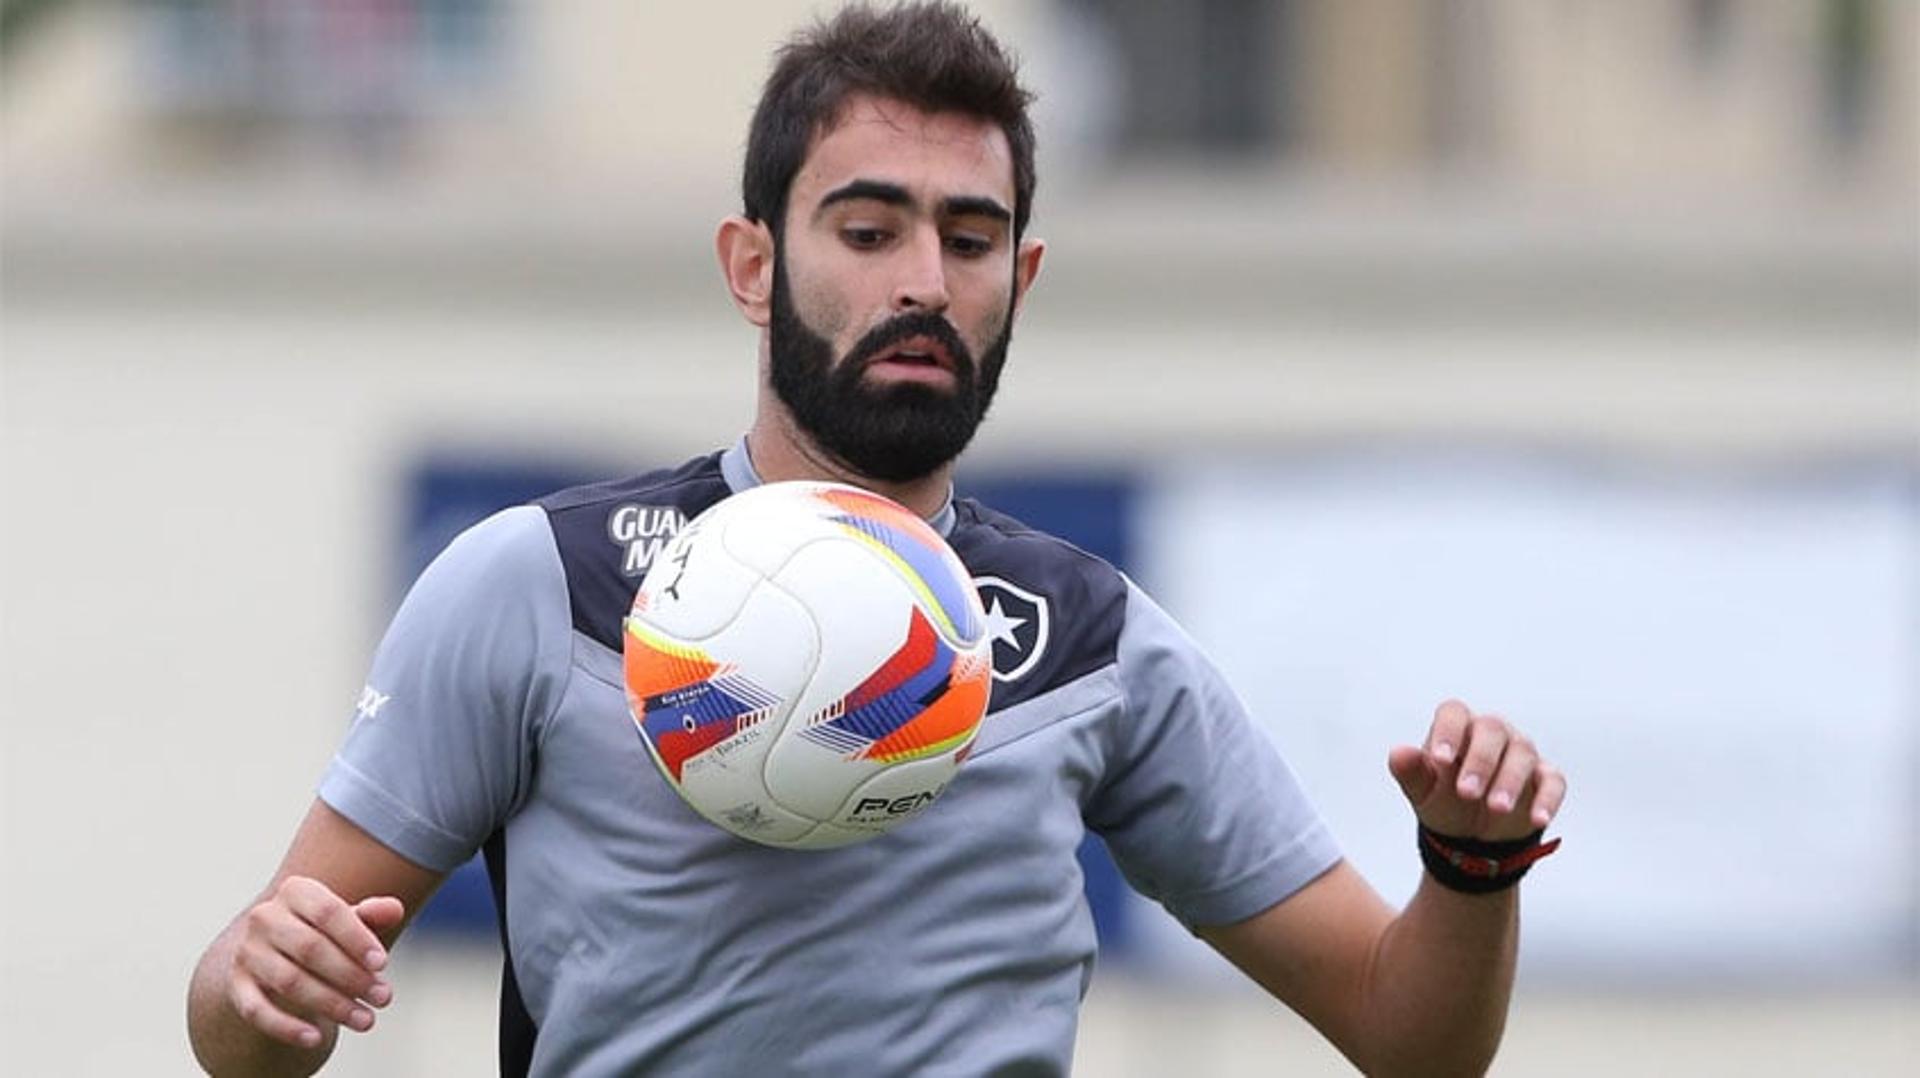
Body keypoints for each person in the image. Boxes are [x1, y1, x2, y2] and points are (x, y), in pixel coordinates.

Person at [187, 4, 1568, 1075]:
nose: (922, 278)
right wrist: (266, 977)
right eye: (868, 227)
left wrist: (1469, 866)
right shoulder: (542, 585)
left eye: (972, 239)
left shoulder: (1093, 642)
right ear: (752, 264)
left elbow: (1410, 1036)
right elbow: (241, 1026)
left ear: (1019, 281)